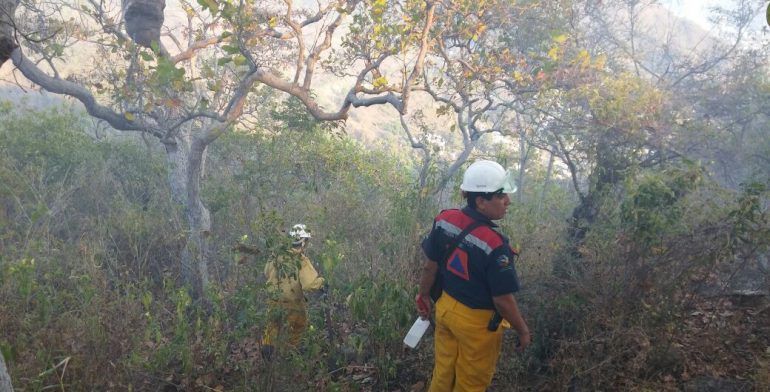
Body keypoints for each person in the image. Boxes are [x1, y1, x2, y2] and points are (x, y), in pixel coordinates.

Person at [415, 160, 531, 392]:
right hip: (476, 326)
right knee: (470, 384)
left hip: (445, 309)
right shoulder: (495, 246)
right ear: (480, 201)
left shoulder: (445, 220)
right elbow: (502, 300)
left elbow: (430, 266)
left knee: (443, 372)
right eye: (501, 196)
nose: (507, 201)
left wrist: (423, 295)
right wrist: (523, 330)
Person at [262, 224, 326, 358]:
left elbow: (266, 272)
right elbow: (309, 284)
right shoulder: (301, 260)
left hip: (273, 302)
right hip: (293, 305)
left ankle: (268, 357)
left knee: (272, 329)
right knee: (296, 331)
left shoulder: (276, 255)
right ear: (303, 242)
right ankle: (289, 359)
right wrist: (321, 282)